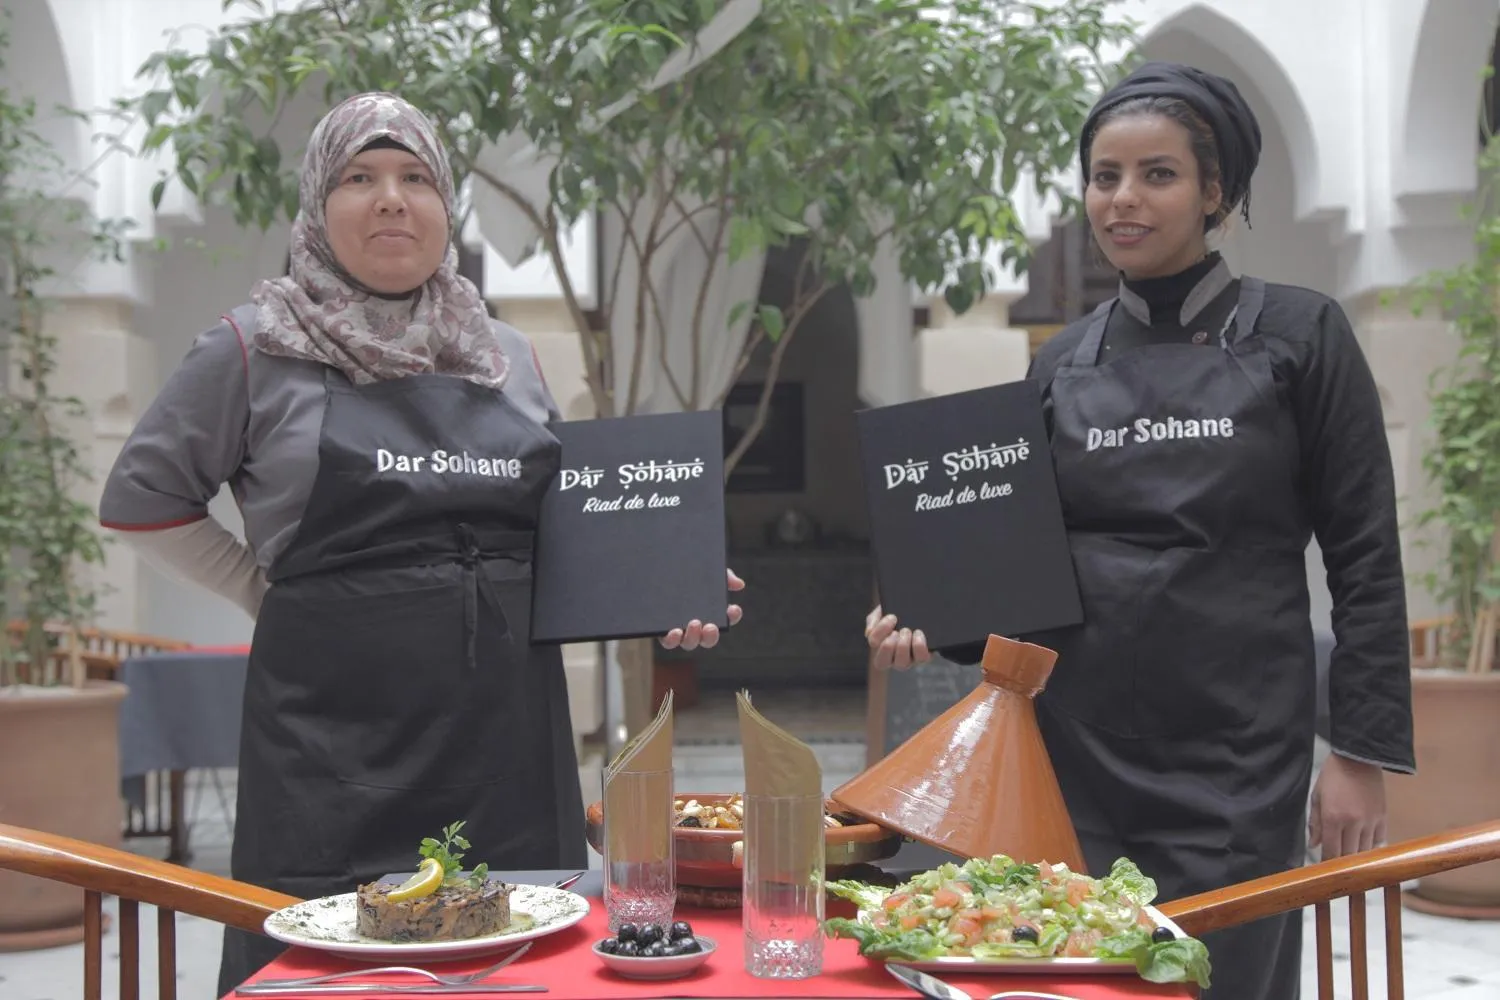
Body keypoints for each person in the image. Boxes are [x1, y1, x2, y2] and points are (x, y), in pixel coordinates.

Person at [98, 92, 744, 992]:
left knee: (521, 964)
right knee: (325, 971)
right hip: (332, 752)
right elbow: (141, 500)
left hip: (507, 746)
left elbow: (558, 529)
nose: (391, 199)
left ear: (448, 208)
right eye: (360, 177)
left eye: (415, 178)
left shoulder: (506, 355)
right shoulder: (253, 347)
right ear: (319, 207)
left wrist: (660, 582)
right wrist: (264, 589)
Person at [864, 62, 1414, 1000]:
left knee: (1223, 983)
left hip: (1239, 762)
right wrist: (930, 619)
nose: (1123, 199)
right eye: (1104, 176)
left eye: (1157, 174)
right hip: (1075, 755)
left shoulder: (1302, 336)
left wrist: (1357, 754)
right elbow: (1014, 564)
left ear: (1216, 193)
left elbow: (1366, 559)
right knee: (1085, 982)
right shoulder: (1060, 362)